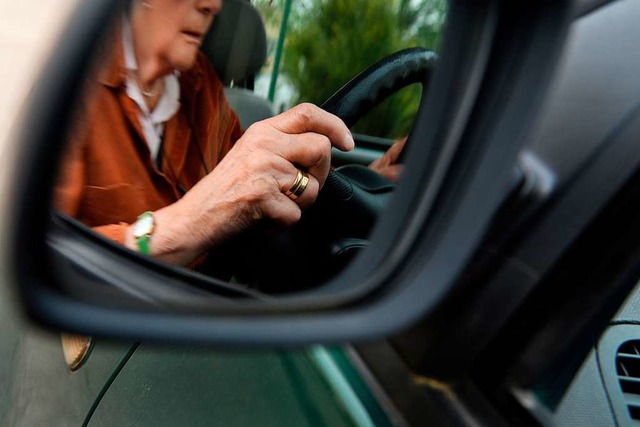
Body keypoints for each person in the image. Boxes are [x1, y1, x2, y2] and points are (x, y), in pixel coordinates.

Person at [55, 0, 404, 268]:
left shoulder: (201, 84)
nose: (214, 5)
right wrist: (182, 227)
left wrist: (362, 188)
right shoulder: (71, 92)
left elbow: (256, 189)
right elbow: (44, 260)